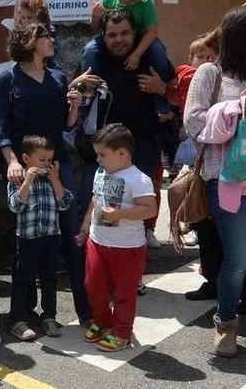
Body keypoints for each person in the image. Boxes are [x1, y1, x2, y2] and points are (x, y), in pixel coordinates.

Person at [183, 3, 246, 357]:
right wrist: (236, 110)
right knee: (239, 258)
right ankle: (225, 322)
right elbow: (193, 124)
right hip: (227, 180)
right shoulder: (209, 74)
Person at [0, 23, 88, 324]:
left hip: (58, 166)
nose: (53, 42)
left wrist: (74, 111)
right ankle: (23, 313)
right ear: (31, 42)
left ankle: (84, 311)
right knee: (28, 241)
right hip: (24, 166)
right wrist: (11, 161)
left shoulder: (58, 77)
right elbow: (0, 126)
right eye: (48, 37)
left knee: (71, 235)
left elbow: (66, 126)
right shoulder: (9, 78)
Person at [71, 9, 174, 248]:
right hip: (102, 150)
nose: (118, 40)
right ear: (103, 37)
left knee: (136, 212)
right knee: (97, 211)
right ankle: (98, 266)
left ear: (135, 33)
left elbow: (180, 95)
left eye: (125, 33)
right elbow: (71, 93)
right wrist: (77, 85)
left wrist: (162, 89)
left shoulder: (150, 57)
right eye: (112, 35)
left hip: (142, 148)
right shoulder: (94, 60)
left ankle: (133, 273)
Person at [79, 124, 157, 353]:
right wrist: (86, 222)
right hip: (97, 240)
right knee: (93, 286)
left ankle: (122, 333)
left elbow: (150, 209)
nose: (98, 159)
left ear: (122, 153)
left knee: (124, 293)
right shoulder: (101, 172)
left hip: (127, 247)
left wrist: (121, 214)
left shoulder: (138, 179)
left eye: (102, 154)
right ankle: (102, 321)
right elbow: (96, 198)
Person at [6, 136, 73, 341]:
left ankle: (49, 315)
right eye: (42, 160)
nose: (46, 164)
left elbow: (65, 203)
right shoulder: (18, 179)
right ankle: (18, 319)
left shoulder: (52, 180)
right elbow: (15, 205)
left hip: (51, 236)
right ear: (26, 158)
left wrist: (55, 178)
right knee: (22, 279)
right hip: (27, 238)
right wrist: (28, 180)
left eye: (49, 160)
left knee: (49, 278)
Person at [87, 0, 170, 116]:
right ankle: (88, 93)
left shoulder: (147, 3)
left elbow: (152, 31)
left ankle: (161, 102)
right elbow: (95, 27)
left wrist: (137, 54)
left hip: (140, 38)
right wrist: (95, 16)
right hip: (112, 37)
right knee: (89, 50)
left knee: (158, 50)